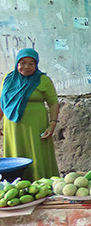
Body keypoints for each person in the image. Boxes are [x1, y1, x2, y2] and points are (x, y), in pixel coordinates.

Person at [0, 48, 60, 180]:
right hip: (12, 126)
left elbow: (53, 104)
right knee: (16, 152)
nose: (26, 67)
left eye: (31, 63)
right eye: (22, 63)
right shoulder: (8, 79)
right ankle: (17, 183)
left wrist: (52, 124)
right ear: (17, 64)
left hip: (36, 125)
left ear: (36, 64)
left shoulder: (43, 80)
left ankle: (40, 182)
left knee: (37, 153)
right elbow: (3, 102)